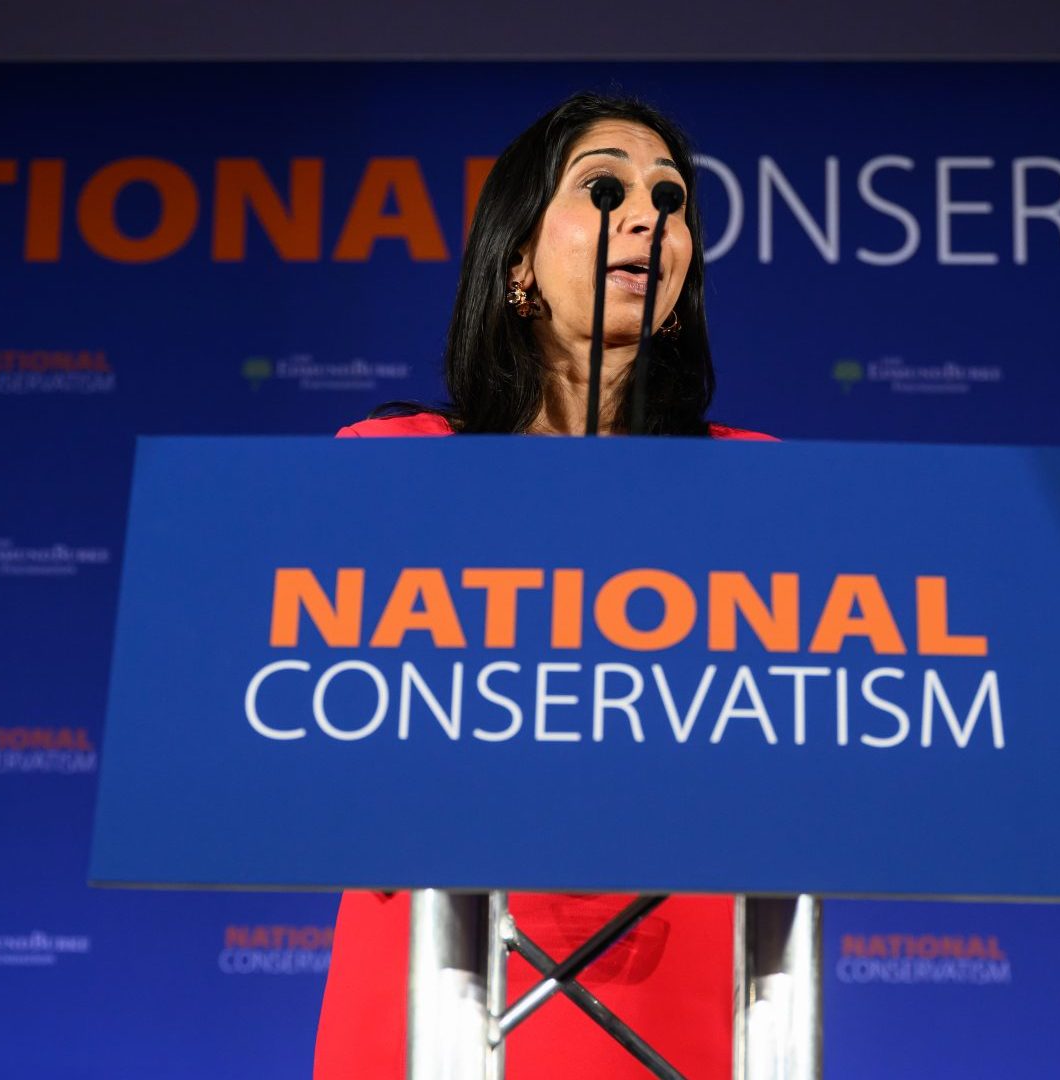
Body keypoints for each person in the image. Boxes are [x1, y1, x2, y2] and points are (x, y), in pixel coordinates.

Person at [315, 91, 772, 1079]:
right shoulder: (388, 468)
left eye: (674, 199)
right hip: (435, 969)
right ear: (517, 257)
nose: (652, 215)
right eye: (605, 187)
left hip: (679, 977)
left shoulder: (762, 487)